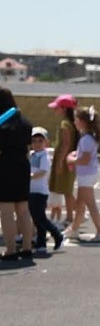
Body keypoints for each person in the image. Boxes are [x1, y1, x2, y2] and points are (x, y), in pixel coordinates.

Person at [62, 106, 100, 243]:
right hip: (86, 175)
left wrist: (72, 160)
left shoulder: (86, 139)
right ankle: (74, 229)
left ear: (83, 122)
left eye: (76, 119)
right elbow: (85, 155)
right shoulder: (87, 138)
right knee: (80, 203)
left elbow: (86, 159)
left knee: (90, 204)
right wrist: (76, 155)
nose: (74, 122)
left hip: (86, 175)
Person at [0, 87, 34, 260]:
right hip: (23, 165)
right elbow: (28, 148)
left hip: (5, 166)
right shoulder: (26, 123)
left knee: (6, 209)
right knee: (23, 208)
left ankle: (11, 249)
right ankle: (27, 247)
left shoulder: (2, 124)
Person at [28, 127, 64, 253]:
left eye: (40, 140)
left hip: (40, 192)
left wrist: (30, 177)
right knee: (37, 218)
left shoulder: (44, 156)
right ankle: (41, 243)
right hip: (32, 191)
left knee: (40, 217)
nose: (37, 144)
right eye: (34, 141)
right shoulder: (32, 155)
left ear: (46, 142)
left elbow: (43, 172)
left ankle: (58, 235)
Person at [47, 94, 78, 225]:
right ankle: (75, 214)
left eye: (57, 107)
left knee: (66, 190)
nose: (55, 110)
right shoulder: (72, 123)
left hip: (65, 161)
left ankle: (72, 216)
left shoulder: (65, 124)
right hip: (70, 160)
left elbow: (65, 144)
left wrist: (59, 162)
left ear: (64, 108)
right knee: (67, 190)